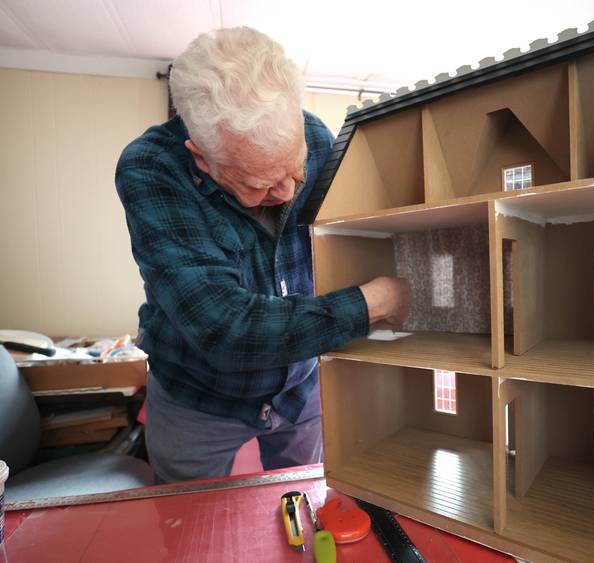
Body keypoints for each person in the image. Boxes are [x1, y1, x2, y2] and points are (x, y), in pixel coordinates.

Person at [115, 27, 411, 484]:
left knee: (303, 507)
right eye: (259, 184)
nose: (288, 192)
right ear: (201, 157)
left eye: (295, 168)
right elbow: (226, 330)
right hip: (197, 397)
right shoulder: (151, 168)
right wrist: (376, 303)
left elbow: (347, 239)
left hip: (300, 390)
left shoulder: (312, 132)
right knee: (192, 533)